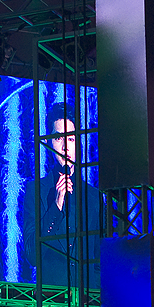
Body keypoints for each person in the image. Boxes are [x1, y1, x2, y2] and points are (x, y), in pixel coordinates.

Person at [22, 101, 102, 288]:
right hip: (52, 298)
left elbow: (101, 257)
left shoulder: (93, 197)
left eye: (71, 139)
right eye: (59, 138)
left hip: (87, 298)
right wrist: (56, 206)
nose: (66, 146)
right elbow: (32, 255)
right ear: (48, 142)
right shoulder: (35, 191)